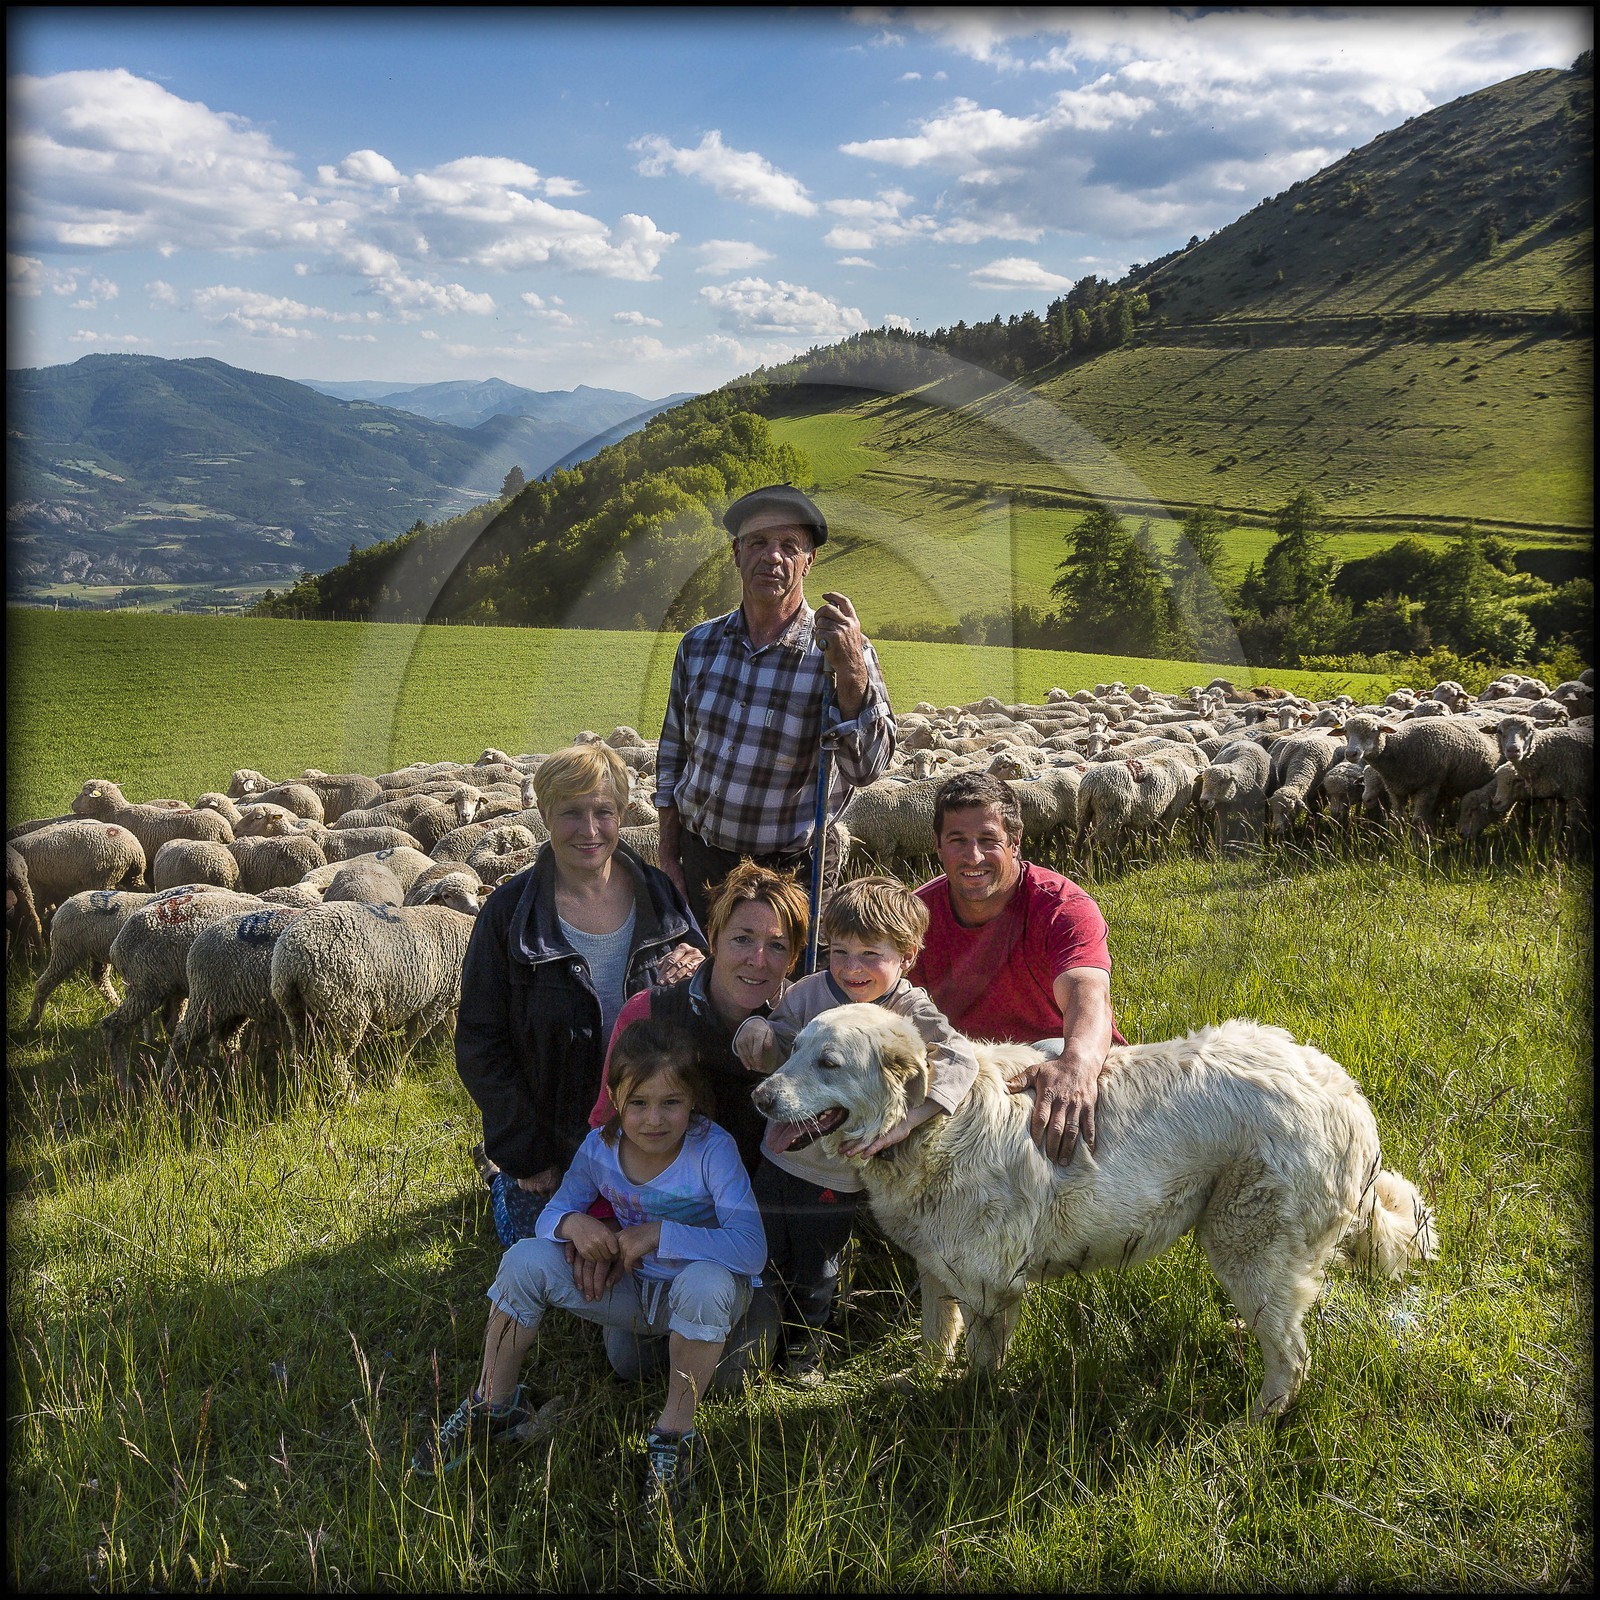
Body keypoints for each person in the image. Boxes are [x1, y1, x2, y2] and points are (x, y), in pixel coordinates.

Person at [414, 1018, 766, 1522]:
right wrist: (575, 1225)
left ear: (694, 1102)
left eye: (672, 1103)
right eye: (639, 1103)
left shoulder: (712, 1149)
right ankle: (494, 1401)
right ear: (615, 1098)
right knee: (523, 1261)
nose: (654, 1119)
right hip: (633, 1286)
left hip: (702, 1293)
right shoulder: (601, 1147)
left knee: (706, 1283)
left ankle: (674, 1436)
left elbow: (751, 1249)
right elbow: (553, 1216)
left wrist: (658, 1233)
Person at [731, 875, 979, 1386]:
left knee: (819, 1265)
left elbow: (959, 1055)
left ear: (907, 955)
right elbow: (780, 1038)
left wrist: (913, 1118)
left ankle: (805, 1348)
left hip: (837, 1175)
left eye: (871, 953)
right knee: (763, 1249)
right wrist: (756, 1032)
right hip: (780, 1158)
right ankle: (755, 1331)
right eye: (839, 951)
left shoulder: (910, 1011)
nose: (851, 968)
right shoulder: (808, 994)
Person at [455, 742, 706, 1248]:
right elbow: (481, 1043)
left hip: (655, 1130)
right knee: (555, 1266)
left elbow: (711, 1003)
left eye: (603, 812)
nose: (589, 831)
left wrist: (702, 970)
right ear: (545, 814)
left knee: (653, 1260)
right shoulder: (509, 916)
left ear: (621, 814)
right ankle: (501, 1176)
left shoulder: (660, 895)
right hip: (557, 1141)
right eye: (571, 813)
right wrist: (527, 1152)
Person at [583, 860, 813, 1391]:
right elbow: (605, 1127)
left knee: (733, 1376)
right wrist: (601, 1222)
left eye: (778, 946)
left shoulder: (807, 1033)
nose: (758, 960)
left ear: (795, 956)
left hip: (750, 1230)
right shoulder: (651, 1013)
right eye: (741, 939)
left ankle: (773, 1295)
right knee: (632, 1363)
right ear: (710, 938)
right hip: (653, 1219)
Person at [653, 482, 897, 929]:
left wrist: (850, 670)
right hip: (700, 863)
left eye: (789, 545)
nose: (773, 556)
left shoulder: (840, 653)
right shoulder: (698, 645)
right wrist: (669, 858)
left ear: (809, 560)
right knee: (696, 987)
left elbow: (866, 770)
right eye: (759, 542)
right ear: (736, 552)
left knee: (778, 996)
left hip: (786, 876)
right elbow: (672, 757)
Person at [908, 771, 1124, 1170]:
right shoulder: (917, 917)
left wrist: (1076, 1064)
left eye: (988, 840)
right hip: (975, 1076)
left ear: (1015, 843)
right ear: (938, 847)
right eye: (958, 841)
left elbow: (1087, 992)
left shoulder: (1060, 906)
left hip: (1055, 1059)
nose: (973, 857)